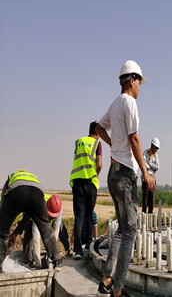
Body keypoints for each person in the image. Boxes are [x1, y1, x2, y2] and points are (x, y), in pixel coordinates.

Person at [95, 60, 155, 297]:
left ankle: (107, 279)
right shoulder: (129, 102)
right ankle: (118, 289)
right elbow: (135, 138)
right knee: (130, 231)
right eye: (139, 82)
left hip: (113, 173)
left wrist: (113, 146)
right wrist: (146, 173)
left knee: (122, 229)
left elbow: (99, 128)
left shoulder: (114, 103)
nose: (140, 87)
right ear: (132, 80)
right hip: (127, 174)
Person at [0, 170, 62, 273]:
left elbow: (3, 206)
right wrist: (15, 233)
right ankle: (57, 260)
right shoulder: (32, 178)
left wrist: (4, 225)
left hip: (16, 193)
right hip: (36, 193)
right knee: (46, 228)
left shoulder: (11, 178)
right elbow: (28, 216)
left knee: (2, 232)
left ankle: (0, 265)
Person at [9, 194, 73, 268]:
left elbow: (56, 230)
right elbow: (36, 238)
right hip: (31, 217)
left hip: (46, 212)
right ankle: (28, 259)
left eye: (53, 217)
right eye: (50, 216)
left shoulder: (59, 207)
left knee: (61, 226)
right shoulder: (39, 208)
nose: (51, 218)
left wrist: (51, 253)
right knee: (29, 239)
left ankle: (69, 248)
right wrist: (38, 262)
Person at [70, 121, 102, 260]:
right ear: (97, 132)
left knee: (79, 217)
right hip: (90, 183)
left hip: (77, 183)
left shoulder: (78, 142)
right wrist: (96, 174)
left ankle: (78, 250)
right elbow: (99, 163)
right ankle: (88, 245)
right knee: (89, 214)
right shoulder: (97, 144)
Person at [142, 137, 160, 214]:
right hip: (145, 179)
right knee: (145, 199)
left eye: (157, 148)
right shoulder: (145, 152)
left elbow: (157, 167)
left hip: (153, 179)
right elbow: (144, 164)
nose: (156, 149)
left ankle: (150, 215)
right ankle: (143, 215)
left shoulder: (156, 156)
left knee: (151, 199)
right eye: (155, 147)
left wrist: (149, 163)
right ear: (152, 145)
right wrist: (150, 166)